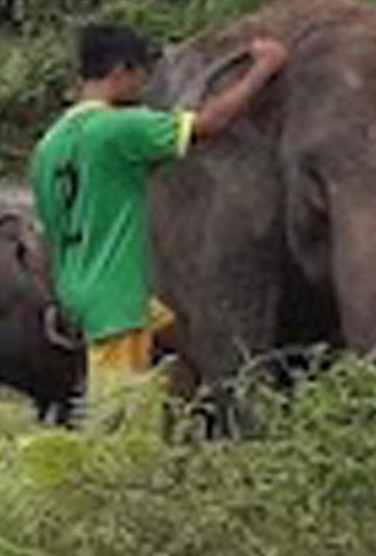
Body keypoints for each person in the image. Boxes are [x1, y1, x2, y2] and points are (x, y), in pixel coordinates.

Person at [32, 22, 288, 396]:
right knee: (117, 419)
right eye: (140, 76)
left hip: (78, 291)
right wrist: (263, 68)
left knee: (179, 337)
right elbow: (209, 124)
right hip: (116, 302)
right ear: (120, 72)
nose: (143, 89)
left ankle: (193, 402)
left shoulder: (50, 145)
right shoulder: (118, 128)